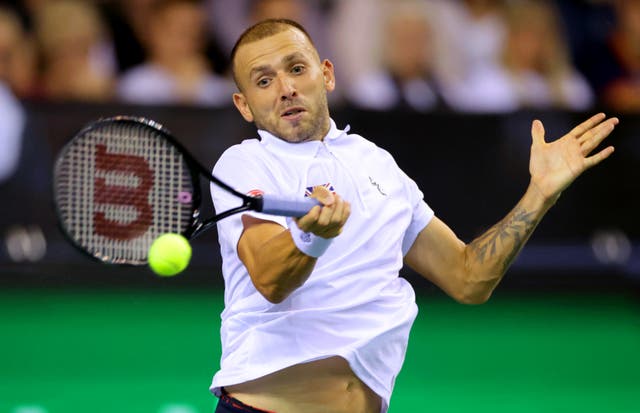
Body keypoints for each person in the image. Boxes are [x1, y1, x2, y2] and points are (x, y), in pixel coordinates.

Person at [209, 18, 618, 413]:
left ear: (327, 74)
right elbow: (269, 279)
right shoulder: (245, 164)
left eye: (297, 69)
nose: (285, 88)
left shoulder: (377, 163)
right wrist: (313, 237)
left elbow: (469, 278)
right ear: (244, 105)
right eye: (264, 81)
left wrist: (540, 194)